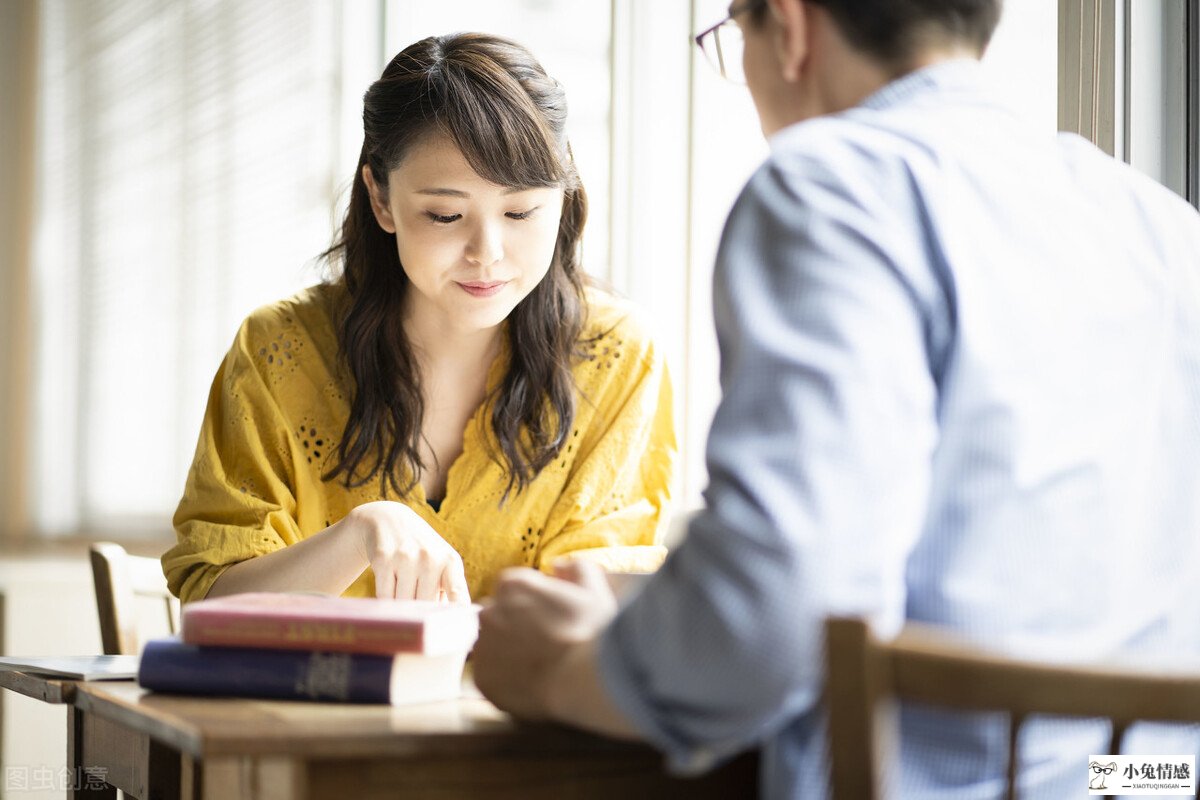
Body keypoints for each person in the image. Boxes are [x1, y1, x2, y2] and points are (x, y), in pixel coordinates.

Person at [472, 0, 1200, 797]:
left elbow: (781, 614)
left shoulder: (836, 184)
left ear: (788, 27)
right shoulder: (1161, 223)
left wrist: (565, 672)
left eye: (733, 40)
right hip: (1152, 780)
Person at [163, 33, 676, 605]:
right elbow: (211, 604)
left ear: (562, 197)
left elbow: (603, 610)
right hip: (309, 697)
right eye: (445, 214)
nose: (487, 250)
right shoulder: (279, 349)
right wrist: (358, 536)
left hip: (515, 699)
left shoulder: (617, 353)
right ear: (381, 200)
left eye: (521, 211)